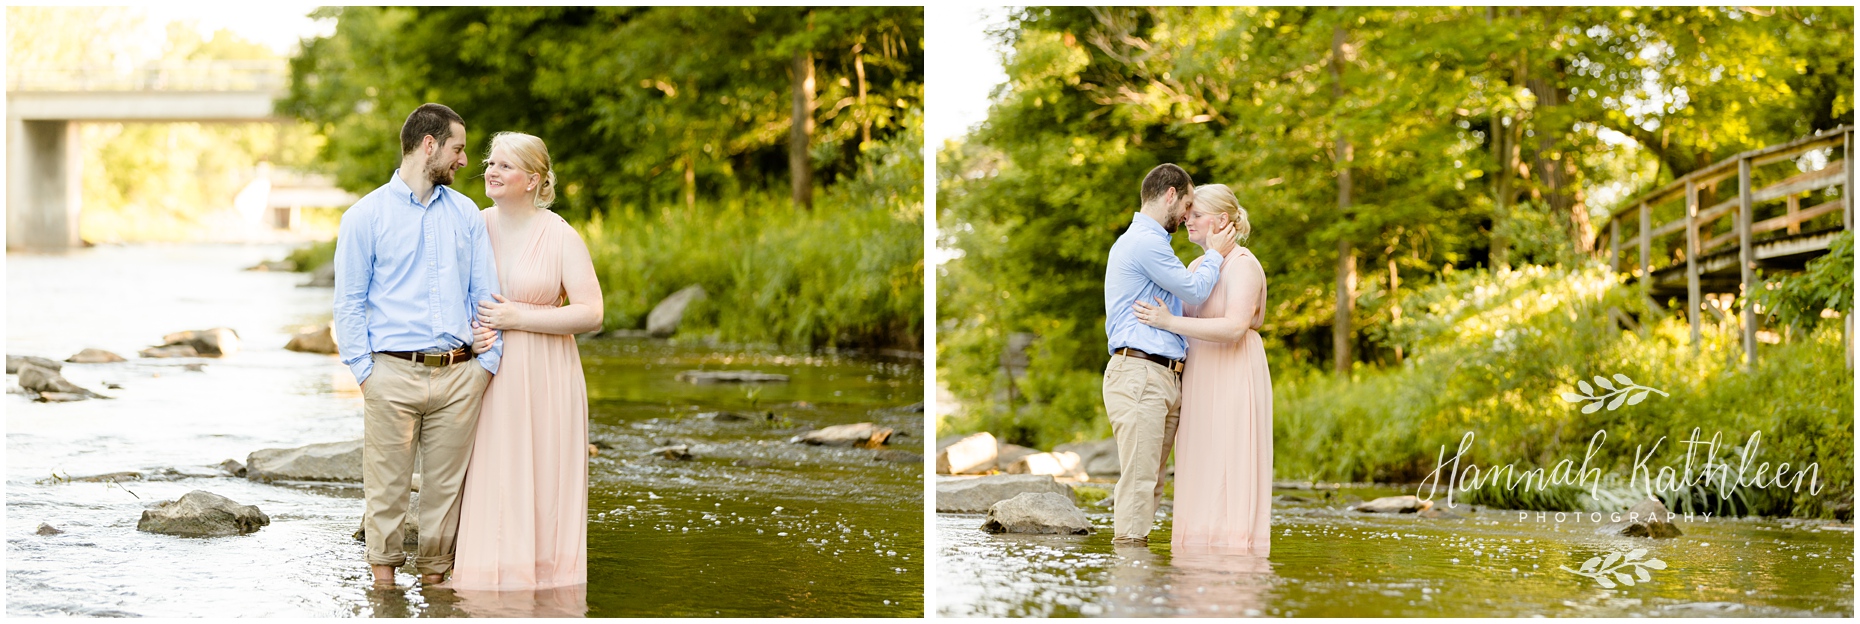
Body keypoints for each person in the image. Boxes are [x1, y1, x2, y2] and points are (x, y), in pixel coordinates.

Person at [333, 102, 503, 587]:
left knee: (445, 493)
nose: (465, 161)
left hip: (460, 376)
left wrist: (485, 365)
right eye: (458, 148)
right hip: (391, 373)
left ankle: (437, 590)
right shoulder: (364, 216)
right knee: (385, 491)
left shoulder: (467, 213)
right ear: (429, 145)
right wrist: (366, 372)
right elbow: (348, 304)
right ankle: (382, 593)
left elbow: (484, 295)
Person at [451, 132, 603, 591]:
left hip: (547, 372)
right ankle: (483, 581)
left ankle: (547, 584)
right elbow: (450, 299)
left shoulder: (560, 234)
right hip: (489, 370)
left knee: (543, 474)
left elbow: (592, 313)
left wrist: (518, 315)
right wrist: (469, 332)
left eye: (505, 166)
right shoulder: (474, 225)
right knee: (494, 471)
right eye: (490, 163)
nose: (491, 172)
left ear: (533, 179)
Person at [1133, 183, 1273, 555]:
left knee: (1230, 457)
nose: (1186, 219)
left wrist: (1168, 322)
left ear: (1222, 220)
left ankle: (1233, 553)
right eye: (1187, 213)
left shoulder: (1243, 265)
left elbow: (1233, 327)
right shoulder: (1197, 266)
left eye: (1196, 214)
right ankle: (1195, 551)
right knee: (1197, 461)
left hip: (1233, 369)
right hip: (1198, 374)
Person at [1101, 163, 1234, 546]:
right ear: (1171, 194)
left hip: (1160, 375)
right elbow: (1194, 291)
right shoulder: (1144, 243)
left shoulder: (1152, 243)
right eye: (1188, 204)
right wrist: (1216, 254)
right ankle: (1128, 569)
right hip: (1139, 373)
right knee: (1140, 478)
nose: (1188, 215)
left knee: (1151, 480)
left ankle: (1136, 567)